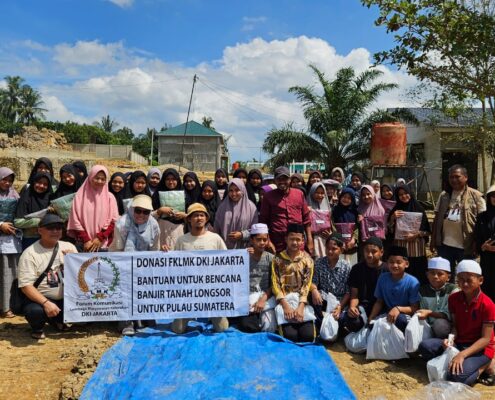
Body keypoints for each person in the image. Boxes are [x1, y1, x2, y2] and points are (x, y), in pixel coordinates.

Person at [418, 260, 495, 387]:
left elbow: (486, 339)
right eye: (461, 280)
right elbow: (455, 325)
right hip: (460, 343)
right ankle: (464, 365)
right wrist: (450, 340)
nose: (464, 284)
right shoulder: (454, 299)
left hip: (480, 349)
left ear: (480, 280)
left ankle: (484, 366)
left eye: (469, 280)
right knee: (425, 347)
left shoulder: (488, 305)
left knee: (455, 377)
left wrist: (462, 355)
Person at [17, 214, 77, 339]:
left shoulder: (69, 247)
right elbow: (26, 286)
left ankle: (57, 320)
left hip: (66, 297)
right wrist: (46, 303)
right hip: (42, 298)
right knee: (35, 311)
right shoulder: (30, 253)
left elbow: (80, 275)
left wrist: (73, 261)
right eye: (50, 228)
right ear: (39, 230)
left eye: (58, 228)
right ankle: (37, 328)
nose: (55, 231)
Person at [172, 203, 229, 334]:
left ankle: (212, 316)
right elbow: (174, 265)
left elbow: (227, 261)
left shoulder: (215, 238)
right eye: (195, 216)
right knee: (178, 330)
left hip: (212, 290)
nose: (199, 218)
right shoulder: (182, 240)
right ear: (189, 219)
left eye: (201, 215)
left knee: (222, 329)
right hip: (188, 291)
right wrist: (165, 254)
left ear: (206, 218)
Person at [110, 195, 160, 336]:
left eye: (146, 212)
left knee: (144, 288)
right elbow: (119, 247)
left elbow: (154, 248)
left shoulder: (154, 225)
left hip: (144, 262)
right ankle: (127, 323)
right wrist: (128, 264)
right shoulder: (122, 224)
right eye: (138, 210)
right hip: (123, 259)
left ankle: (143, 317)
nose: (141, 215)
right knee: (126, 291)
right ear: (132, 209)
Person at [431, 164, 485, 275]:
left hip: (466, 246)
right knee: (445, 275)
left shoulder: (476, 196)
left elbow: (483, 222)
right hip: (445, 245)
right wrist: (433, 239)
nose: (454, 180)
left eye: (457, 176)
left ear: (465, 177)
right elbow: (437, 218)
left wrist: (477, 243)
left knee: (465, 275)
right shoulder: (444, 195)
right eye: (451, 177)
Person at [272, 224, 315, 343]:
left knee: (307, 337)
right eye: (292, 239)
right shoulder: (277, 259)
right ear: (286, 239)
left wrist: (301, 307)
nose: (295, 242)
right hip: (285, 301)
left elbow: (307, 285)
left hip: (301, 302)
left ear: (302, 241)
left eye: (298, 239)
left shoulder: (307, 260)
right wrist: (285, 306)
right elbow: (275, 284)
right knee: (291, 337)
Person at [259, 166, 313, 255]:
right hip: (277, 244)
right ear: (275, 181)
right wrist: (268, 241)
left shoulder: (299, 194)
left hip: (297, 242)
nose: (282, 181)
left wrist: (310, 240)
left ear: (290, 180)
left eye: (285, 179)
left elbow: (306, 219)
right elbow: (263, 222)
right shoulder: (268, 197)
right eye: (279, 179)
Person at [67, 165, 119, 252]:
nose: (99, 181)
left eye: (103, 179)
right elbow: (75, 220)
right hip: (84, 244)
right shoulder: (79, 196)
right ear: (91, 177)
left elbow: (113, 221)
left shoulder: (110, 197)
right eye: (97, 178)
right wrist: (86, 240)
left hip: (103, 244)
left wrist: (100, 238)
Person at [368, 246, 420, 332]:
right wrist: (371, 317)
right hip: (387, 313)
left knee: (400, 320)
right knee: (373, 325)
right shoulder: (383, 278)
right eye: (391, 262)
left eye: (399, 262)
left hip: (405, 316)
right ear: (387, 264)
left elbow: (415, 308)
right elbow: (379, 301)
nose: (395, 265)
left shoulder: (413, 282)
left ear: (406, 264)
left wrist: (398, 309)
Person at [388, 185, 431, 284]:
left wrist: (416, 234)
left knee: (418, 274)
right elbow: (389, 230)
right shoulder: (396, 210)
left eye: (406, 193)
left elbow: (427, 231)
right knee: (402, 272)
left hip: (416, 249)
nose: (404, 196)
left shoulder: (419, 208)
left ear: (410, 193)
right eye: (400, 195)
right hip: (401, 248)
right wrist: (392, 218)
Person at [342, 237, 385, 333]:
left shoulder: (387, 270)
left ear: (381, 252)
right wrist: (352, 308)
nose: (369, 255)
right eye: (367, 251)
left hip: (382, 308)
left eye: (373, 251)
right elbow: (354, 295)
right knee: (353, 322)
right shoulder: (356, 269)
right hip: (363, 307)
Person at [310, 233, 351, 332]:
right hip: (323, 299)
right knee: (311, 297)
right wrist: (314, 290)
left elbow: (348, 292)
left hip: (339, 302)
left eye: (334, 249)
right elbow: (313, 282)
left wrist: (340, 307)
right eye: (328, 248)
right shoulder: (319, 263)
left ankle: (332, 324)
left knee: (341, 319)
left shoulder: (346, 266)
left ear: (341, 250)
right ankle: (321, 322)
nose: (330, 251)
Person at [239, 223, 274, 333]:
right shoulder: (243, 256)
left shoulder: (271, 258)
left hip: (266, 297)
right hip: (247, 298)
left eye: (265, 239)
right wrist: (242, 255)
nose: (262, 243)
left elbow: (275, 284)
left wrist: (263, 299)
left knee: (270, 328)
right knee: (248, 326)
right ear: (252, 240)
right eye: (258, 239)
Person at [417, 257, 456, 339]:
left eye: (440, 274)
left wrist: (430, 313)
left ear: (448, 277)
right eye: (432, 273)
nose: (435, 276)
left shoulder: (453, 290)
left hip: (446, 327)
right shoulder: (422, 290)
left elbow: (447, 315)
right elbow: (421, 311)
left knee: (440, 324)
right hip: (427, 326)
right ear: (427, 275)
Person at [0, 167, 21, 318]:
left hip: (12, 239)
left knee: (10, 272)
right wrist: (1, 224)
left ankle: (8, 306)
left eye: (10, 180)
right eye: (4, 179)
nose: (7, 183)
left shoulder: (15, 194)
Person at [214, 178, 258, 249]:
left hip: (244, 249)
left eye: (237, 190)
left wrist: (242, 235)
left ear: (242, 190)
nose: (234, 194)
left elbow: (255, 229)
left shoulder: (251, 208)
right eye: (231, 190)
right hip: (224, 249)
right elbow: (216, 228)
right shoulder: (222, 207)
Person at [15, 172, 53, 250]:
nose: (41, 186)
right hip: (30, 239)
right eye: (39, 182)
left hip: (48, 238)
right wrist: (37, 221)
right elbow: (17, 222)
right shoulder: (26, 198)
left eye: (45, 184)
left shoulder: (50, 198)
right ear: (34, 182)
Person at [154, 168, 186, 250]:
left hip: (180, 230)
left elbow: (192, 215)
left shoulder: (185, 195)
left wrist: (184, 215)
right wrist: (160, 211)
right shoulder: (156, 195)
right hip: (162, 231)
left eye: (173, 179)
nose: (171, 182)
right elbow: (149, 216)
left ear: (178, 180)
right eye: (168, 179)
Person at [474, 184, 495, 301]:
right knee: (487, 288)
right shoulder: (482, 217)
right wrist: (483, 246)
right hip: (487, 259)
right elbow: (477, 237)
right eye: (493, 195)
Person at [332, 187, 359, 264]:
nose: (346, 199)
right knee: (338, 265)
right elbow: (332, 225)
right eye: (344, 197)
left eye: (349, 198)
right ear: (340, 197)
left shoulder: (355, 212)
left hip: (352, 246)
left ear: (352, 200)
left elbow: (357, 227)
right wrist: (339, 240)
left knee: (351, 265)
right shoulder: (335, 210)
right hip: (338, 244)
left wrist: (354, 239)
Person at [307, 182, 332, 258]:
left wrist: (330, 235)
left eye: (322, 193)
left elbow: (331, 224)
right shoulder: (307, 206)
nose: (320, 195)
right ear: (312, 192)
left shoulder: (328, 207)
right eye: (317, 193)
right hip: (313, 239)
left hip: (326, 239)